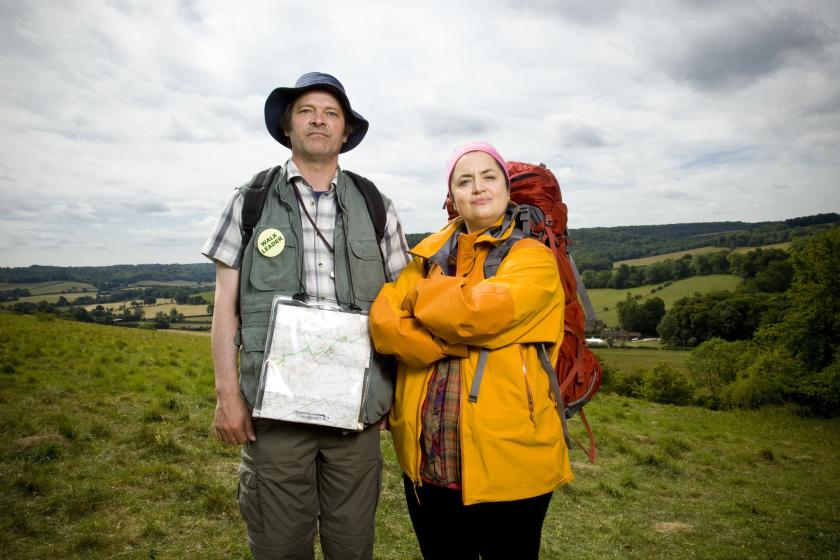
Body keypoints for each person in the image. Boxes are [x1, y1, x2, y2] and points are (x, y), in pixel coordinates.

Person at [201, 72, 410, 560]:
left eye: (331, 113)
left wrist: (392, 394)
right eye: (307, 111)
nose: (319, 119)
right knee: (278, 546)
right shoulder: (249, 200)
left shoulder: (377, 205)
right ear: (288, 127)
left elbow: (401, 308)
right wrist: (227, 396)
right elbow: (224, 310)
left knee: (353, 546)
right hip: (274, 415)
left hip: (357, 414)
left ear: (345, 133)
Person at [369, 142, 573, 559]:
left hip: (512, 462)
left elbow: (478, 314)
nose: (477, 187)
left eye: (488, 176)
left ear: (506, 188)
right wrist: (452, 340)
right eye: (464, 180)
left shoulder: (533, 259)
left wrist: (420, 305)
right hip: (428, 465)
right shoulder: (425, 257)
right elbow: (383, 325)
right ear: (452, 197)